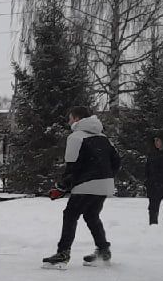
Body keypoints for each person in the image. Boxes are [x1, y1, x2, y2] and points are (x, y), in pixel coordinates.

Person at [41, 107, 120, 267]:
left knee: (70, 214)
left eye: (70, 118)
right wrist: (103, 177)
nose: (68, 122)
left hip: (86, 185)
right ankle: (103, 250)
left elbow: (72, 167)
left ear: (76, 118)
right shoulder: (104, 138)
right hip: (105, 184)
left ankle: (63, 253)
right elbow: (117, 163)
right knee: (91, 215)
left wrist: (62, 187)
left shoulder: (75, 137)